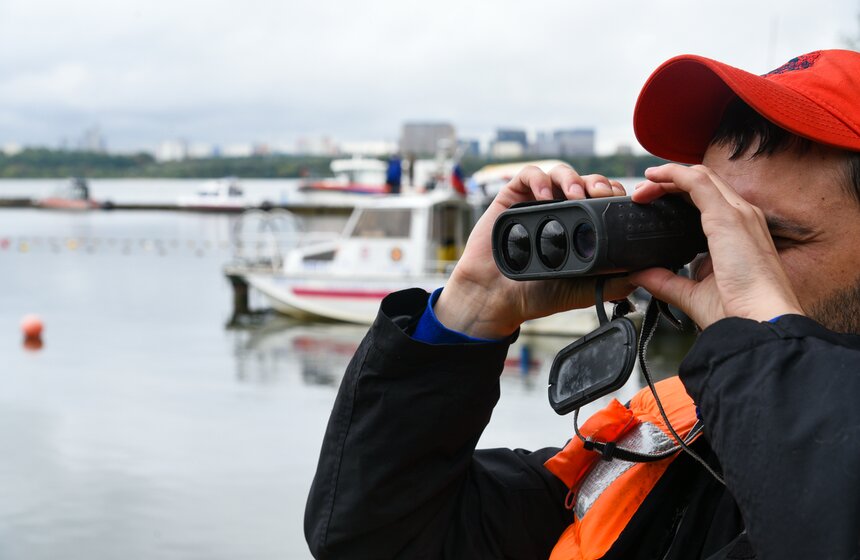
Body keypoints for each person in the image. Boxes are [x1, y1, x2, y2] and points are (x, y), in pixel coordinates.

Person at [305, 50, 860, 559]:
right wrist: (472, 308)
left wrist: (762, 336)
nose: (723, 261)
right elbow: (375, 540)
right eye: (710, 224)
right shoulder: (670, 435)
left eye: (768, 238)